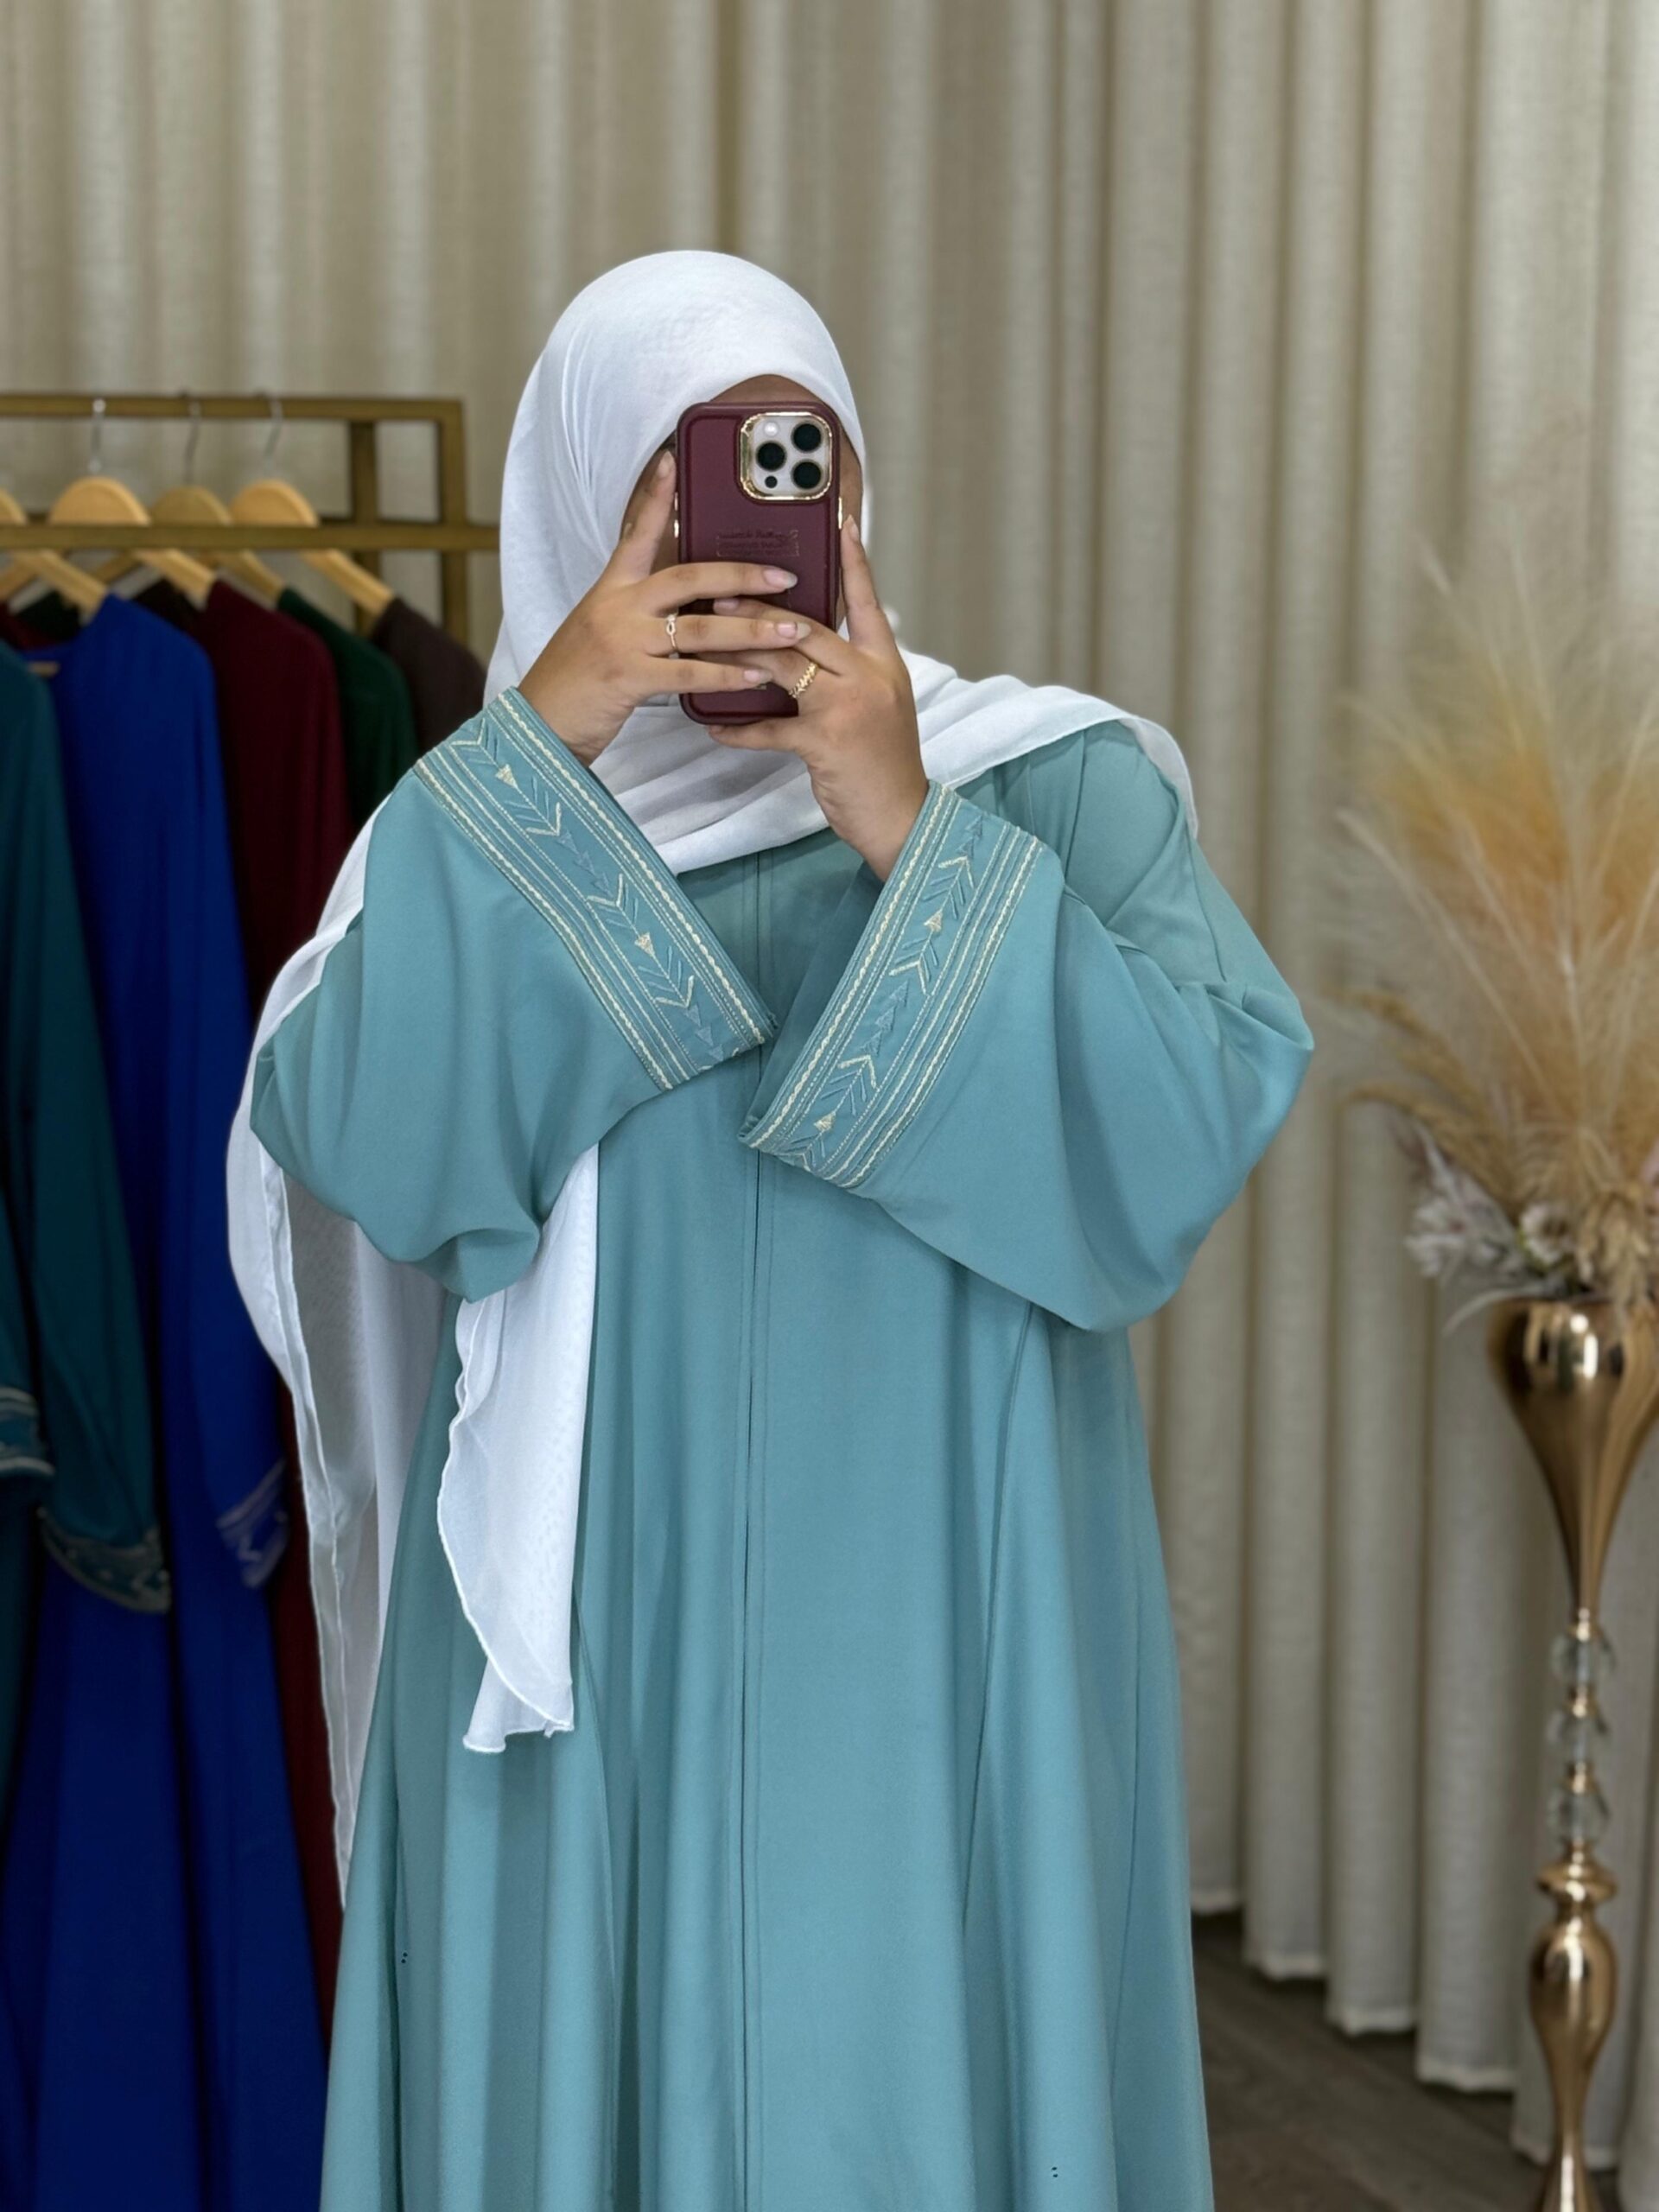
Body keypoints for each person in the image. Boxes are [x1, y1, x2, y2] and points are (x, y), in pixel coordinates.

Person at [230, 248, 1313, 2212]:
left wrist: (906, 818)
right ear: (588, 502)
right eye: (673, 483)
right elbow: (369, 1146)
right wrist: (548, 738)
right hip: (584, 1656)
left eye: (779, 465)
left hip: (941, 1626)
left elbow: (1184, 1131)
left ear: (852, 484)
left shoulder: (1043, 780)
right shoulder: (470, 828)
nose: (730, 536)